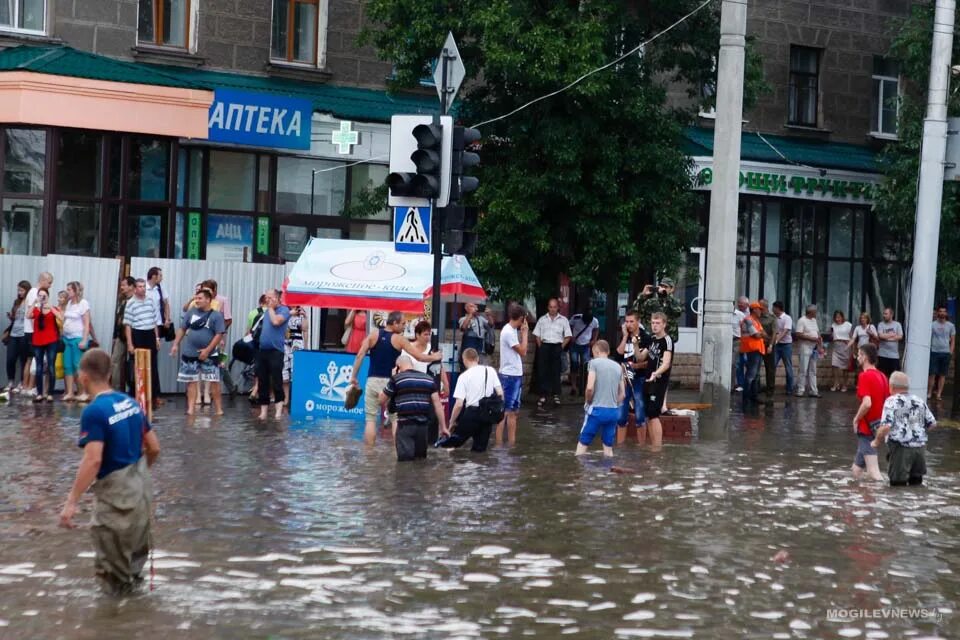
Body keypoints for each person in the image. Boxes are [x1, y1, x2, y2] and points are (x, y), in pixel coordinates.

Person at [58, 349, 160, 594]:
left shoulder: (94, 411)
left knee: (112, 581)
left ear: (83, 377)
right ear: (109, 373)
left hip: (116, 504)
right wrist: (138, 477)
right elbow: (154, 447)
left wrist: (71, 501)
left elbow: (93, 460)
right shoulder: (131, 403)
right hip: (141, 497)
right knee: (134, 574)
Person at [349, 310, 441, 445]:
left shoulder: (373, 335)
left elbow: (360, 355)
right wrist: (434, 357)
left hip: (372, 380)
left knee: (370, 419)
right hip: (391, 383)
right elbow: (419, 356)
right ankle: (398, 451)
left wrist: (353, 376)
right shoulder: (399, 339)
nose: (405, 326)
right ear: (394, 323)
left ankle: (369, 455)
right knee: (395, 419)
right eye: (403, 324)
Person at [872, 372, 937, 487]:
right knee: (916, 485)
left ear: (891, 386)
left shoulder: (891, 401)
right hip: (920, 450)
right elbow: (932, 424)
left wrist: (876, 441)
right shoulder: (919, 400)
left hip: (901, 449)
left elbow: (886, 427)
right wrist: (915, 430)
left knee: (897, 486)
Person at [379, 356, 446, 461]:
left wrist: (393, 376)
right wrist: (444, 428)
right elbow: (437, 405)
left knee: (405, 464)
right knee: (420, 462)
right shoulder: (428, 379)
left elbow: (381, 399)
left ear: (398, 367)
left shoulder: (396, 379)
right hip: (423, 428)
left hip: (405, 426)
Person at [170, 289, 225, 416]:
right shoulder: (191, 312)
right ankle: (190, 409)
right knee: (191, 381)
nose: (197, 300)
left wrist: (207, 350)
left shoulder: (216, 315)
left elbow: (219, 334)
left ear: (208, 300)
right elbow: (182, 329)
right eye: (196, 298)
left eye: (200, 298)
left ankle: (218, 410)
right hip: (190, 353)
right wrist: (175, 344)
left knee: (214, 381)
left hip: (210, 354)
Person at [398, 320, 450, 444]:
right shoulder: (408, 349)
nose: (428, 337)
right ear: (417, 335)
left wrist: (446, 384)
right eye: (425, 334)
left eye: (429, 334)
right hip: (411, 388)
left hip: (428, 387)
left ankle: (431, 442)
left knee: (432, 415)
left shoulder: (432, 349)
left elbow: (440, 367)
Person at [442, 347, 502, 452]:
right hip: (487, 414)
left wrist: (451, 422)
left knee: (451, 444)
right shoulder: (490, 370)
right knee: (479, 450)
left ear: (464, 360)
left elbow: (459, 404)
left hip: (471, 414)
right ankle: (478, 467)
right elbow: (500, 393)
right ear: (477, 359)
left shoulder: (464, 376)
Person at [575, 340, 625, 458]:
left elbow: (590, 388)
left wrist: (588, 401)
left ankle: (580, 472)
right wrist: (613, 403)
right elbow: (622, 394)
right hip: (613, 411)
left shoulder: (593, 363)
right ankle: (608, 473)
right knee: (608, 449)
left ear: (595, 351)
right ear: (607, 351)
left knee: (583, 445)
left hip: (596, 410)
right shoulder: (618, 367)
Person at [851, 344, 888, 482]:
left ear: (865, 357)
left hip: (866, 429)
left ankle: (887, 498)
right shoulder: (883, 376)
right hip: (878, 426)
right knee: (856, 470)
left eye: (859, 355)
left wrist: (856, 419)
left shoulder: (864, 376)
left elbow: (867, 403)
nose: (857, 357)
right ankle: (858, 495)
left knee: (874, 473)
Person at [123, 279, 161, 409]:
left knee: (153, 365)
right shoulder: (130, 303)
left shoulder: (151, 301)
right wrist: (130, 344)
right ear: (135, 289)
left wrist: (157, 338)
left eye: (144, 286)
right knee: (137, 366)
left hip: (150, 332)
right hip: (137, 333)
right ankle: (136, 395)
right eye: (139, 287)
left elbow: (154, 321)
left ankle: (154, 396)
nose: (142, 289)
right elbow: (128, 325)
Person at [256, 289, 290, 420]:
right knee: (262, 381)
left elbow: (276, 322)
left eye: (270, 298)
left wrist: (270, 309)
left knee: (277, 380)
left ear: (277, 298)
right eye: (266, 298)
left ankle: (278, 411)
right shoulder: (265, 312)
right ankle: (263, 411)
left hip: (276, 351)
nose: (268, 300)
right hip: (263, 350)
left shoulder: (284, 310)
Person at [497, 305, 529, 446]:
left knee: (514, 412)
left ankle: (511, 443)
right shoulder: (508, 332)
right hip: (509, 376)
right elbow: (523, 351)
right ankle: (499, 444)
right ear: (522, 319)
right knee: (504, 412)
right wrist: (525, 334)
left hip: (515, 375)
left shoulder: (511, 331)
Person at [616, 310, 649, 444]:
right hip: (624, 379)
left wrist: (637, 366)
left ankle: (642, 447)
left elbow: (648, 362)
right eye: (627, 321)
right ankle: (620, 446)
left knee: (640, 414)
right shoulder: (625, 336)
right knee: (621, 416)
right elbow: (618, 355)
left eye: (631, 321)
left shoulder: (645, 337)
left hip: (639, 378)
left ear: (638, 322)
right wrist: (624, 337)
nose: (628, 324)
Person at [532, 298, 572, 408]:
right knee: (543, 371)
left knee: (556, 370)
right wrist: (541, 346)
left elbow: (568, 336)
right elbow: (537, 335)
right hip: (545, 346)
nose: (553, 309)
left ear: (558, 307)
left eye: (555, 307)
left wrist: (561, 347)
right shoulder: (542, 319)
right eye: (551, 307)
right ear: (548, 307)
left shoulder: (563, 320)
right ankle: (543, 394)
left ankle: (556, 395)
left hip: (557, 346)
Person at [644, 312, 673, 450]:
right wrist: (636, 345)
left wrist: (656, 373)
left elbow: (666, 363)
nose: (654, 326)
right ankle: (653, 445)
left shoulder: (667, 341)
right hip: (648, 379)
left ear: (664, 324)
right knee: (649, 413)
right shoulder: (652, 338)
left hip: (659, 381)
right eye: (652, 323)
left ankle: (658, 447)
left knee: (654, 414)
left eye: (657, 323)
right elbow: (641, 356)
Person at [22, 271, 53, 396]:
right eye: (49, 282)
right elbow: (35, 313)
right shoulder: (36, 293)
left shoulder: (32, 292)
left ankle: (26, 386)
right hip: (33, 331)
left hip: (29, 330)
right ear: (43, 280)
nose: (50, 285)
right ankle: (30, 387)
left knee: (30, 359)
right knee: (35, 360)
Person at [62, 281, 92, 402]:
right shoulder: (69, 303)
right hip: (67, 338)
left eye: (69, 289)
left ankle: (84, 392)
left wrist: (85, 339)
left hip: (77, 338)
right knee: (67, 365)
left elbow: (86, 323)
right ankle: (70, 392)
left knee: (78, 365)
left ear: (75, 291)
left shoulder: (83, 303)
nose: (67, 291)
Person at [30, 288, 61, 402]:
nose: (42, 297)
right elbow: (28, 316)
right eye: (40, 295)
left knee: (51, 366)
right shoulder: (36, 309)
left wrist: (49, 305)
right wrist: (35, 302)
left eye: (44, 295)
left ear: (48, 296)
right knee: (39, 367)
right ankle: (39, 393)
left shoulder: (52, 308)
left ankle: (50, 393)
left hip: (51, 340)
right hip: (38, 340)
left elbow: (61, 317)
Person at [635, 277, 684, 344]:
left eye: (665, 287)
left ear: (672, 289)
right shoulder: (652, 302)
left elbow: (678, 312)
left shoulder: (675, 302)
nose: (662, 289)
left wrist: (666, 296)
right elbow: (637, 311)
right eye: (661, 286)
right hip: (653, 337)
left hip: (669, 337)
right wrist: (643, 295)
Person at [4, 280, 32, 394]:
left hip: (24, 334)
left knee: (23, 360)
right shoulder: (17, 301)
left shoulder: (30, 302)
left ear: (27, 290)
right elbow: (15, 318)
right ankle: (10, 382)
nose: (19, 292)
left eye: (22, 290)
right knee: (10, 359)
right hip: (14, 334)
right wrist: (11, 317)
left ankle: (21, 382)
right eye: (18, 290)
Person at [110, 277, 136, 393]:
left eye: (124, 285)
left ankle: (133, 388)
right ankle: (115, 389)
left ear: (131, 286)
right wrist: (115, 336)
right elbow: (119, 319)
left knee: (132, 363)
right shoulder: (122, 300)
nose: (122, 287)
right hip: (121, 336)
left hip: (133, 336)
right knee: (115, 361)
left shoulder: (136, 301)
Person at [740, 302, 767, 405]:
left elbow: (763, 334)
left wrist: (761, 334)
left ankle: (753, 397)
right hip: (751, 349)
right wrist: (760, 334)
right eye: (759, 309)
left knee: (755, 375)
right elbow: (756, 335)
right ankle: (746, 398)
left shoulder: (756, 321)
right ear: (754, 309)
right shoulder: (748, 320)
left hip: (757, 349)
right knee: (751, 375)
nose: (761, 311)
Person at [568, 309, 599, 396]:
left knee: (586, 366)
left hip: (586, 345)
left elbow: (596, 330)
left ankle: (585, 386)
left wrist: (594, 340)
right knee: (574, 364)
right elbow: (569, 326)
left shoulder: (595, 321)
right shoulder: (576, 318)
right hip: (575, 345)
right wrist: (570, 336)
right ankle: (573, 387)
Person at [795, 304, 824, 398]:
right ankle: (800, 390)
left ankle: (813, 390)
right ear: (811, 312)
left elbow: (817, 332)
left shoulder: (814, 320)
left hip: (814, 347)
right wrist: (811, 338)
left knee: (813, 370)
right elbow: (798, 334)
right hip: (805, 347)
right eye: (815, 312)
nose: (816, 313)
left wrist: (819, 342)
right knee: (803, 369)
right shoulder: (802, 320)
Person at [282, 305, 308, 407]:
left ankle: (296, 398)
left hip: (297, 343)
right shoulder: (285, 311)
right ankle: (286, 398)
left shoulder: (300, 312)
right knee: (284, 370)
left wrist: (305, 346)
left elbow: (305, 330)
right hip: (284, 343)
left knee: (295, 370)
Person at [928, 305, 955, 401]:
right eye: (940, 311)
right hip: (934, 352)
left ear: (946, 313)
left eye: (944, 311)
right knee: (932, 373)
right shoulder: (932, 324)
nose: (942, 313)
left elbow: (952, 340)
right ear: (938, 313)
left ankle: (939, 394)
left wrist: (950, 352)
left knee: (943, 375)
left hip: (945, 352)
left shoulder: (951, 326)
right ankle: (929, 393)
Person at [772, 301, 794, 395]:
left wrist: (776, 340)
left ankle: (789, 389)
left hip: (786, 345)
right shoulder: (774, 318)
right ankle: (770, 387)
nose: (772, 309)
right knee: (772, 366)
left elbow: (785, 331)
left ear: (778, 308)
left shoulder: (787, 318)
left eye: (774, 308)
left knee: (788, 367)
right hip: (776, 346)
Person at [876, 307, 904, 377]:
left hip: (894, 356)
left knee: (894, 377)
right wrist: (892, 335)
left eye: (886, 314)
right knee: (882, 376)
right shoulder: (881, 324)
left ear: (891, 315)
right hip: (882, 355)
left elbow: (900, 336)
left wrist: (887, 338)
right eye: (883, 314)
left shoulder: (897, 324)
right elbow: (881, 336)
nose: (884, 315)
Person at [830, 310, 853, 393]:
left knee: (845, 368)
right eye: (836, 317)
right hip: (836, 346)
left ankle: (844, 385)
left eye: (839, 317)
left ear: (842, 317)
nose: (837, 319)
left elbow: (852, 337)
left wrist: (852, 348)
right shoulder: (833, 325)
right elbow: (831, 336)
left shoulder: (848, 325)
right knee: (834, 365)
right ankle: (836, 384)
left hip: (845, 346)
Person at [758, 299, 777, 395]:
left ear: (764, 307)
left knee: (770, 368)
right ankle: (757, 387)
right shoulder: (757, 317)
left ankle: (770, 388)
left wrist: (771, 345)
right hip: (757, 345)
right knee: (756, 367)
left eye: (760, 306)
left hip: (767, 345)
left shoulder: (772, 318)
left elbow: (774, 333)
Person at [732, 296, 749, 392]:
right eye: (739, 304)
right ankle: (732, 383)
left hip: (737, 341)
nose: (740, 305)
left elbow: (745, 329)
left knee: (737, 363)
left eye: (741, 304)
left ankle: (741, 383)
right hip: (727, 341)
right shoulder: (725, 314)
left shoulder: (740, 315)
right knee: (733, 363)